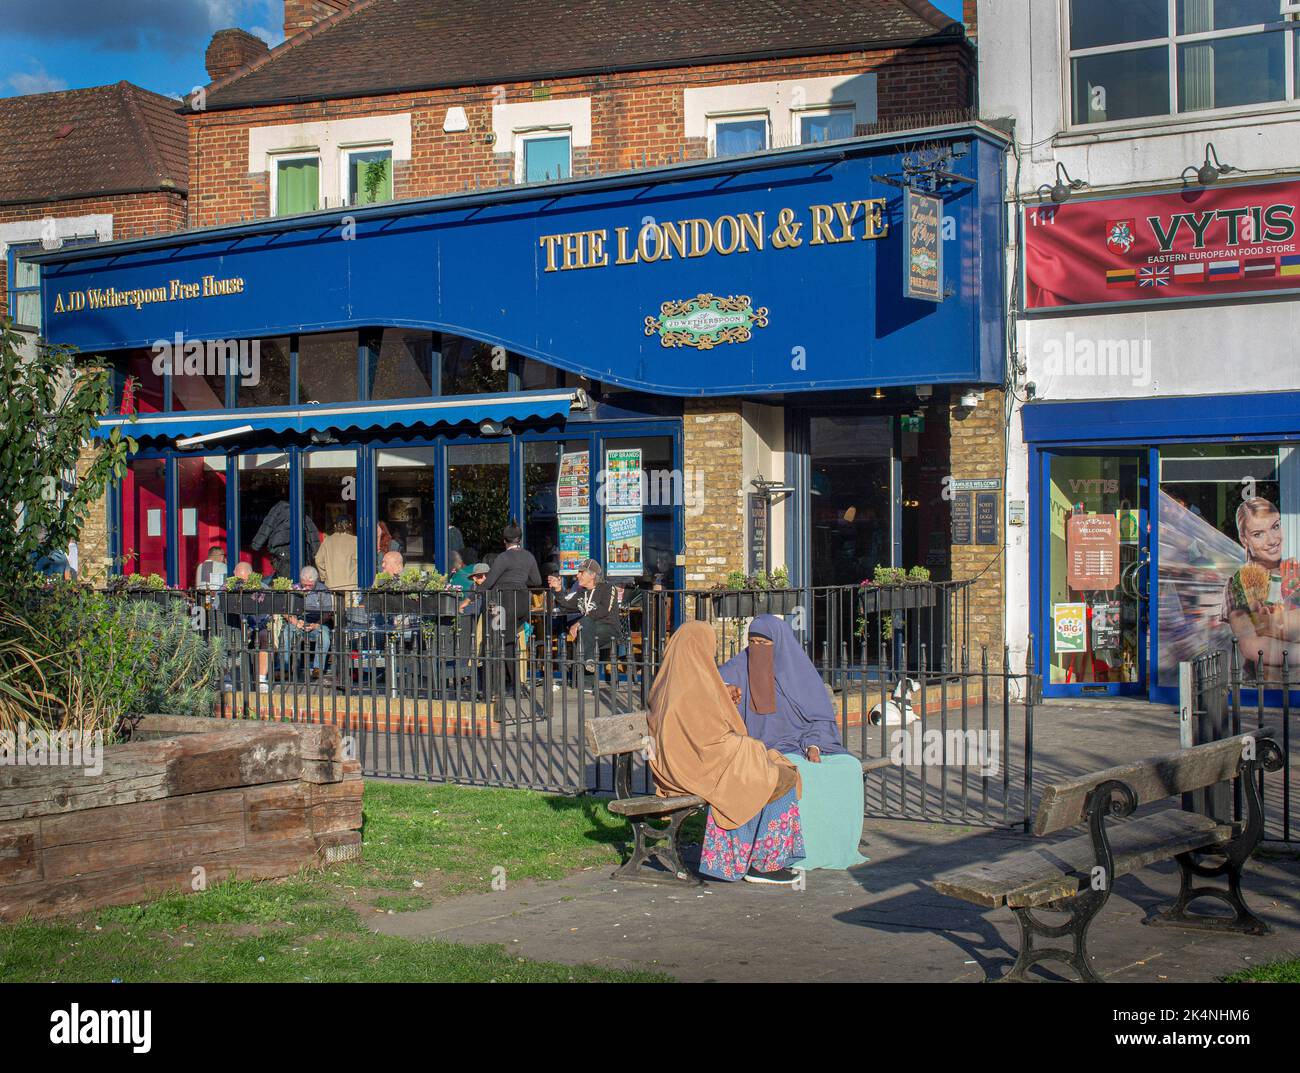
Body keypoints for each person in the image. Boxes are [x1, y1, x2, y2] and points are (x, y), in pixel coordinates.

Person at [647, 621, 805, 885]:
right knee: (760, 772)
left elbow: (708, 727)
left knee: (775, 768)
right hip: (688, 769)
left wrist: (724, 694)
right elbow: (700, 740)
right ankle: (760, 864)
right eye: (710, 647)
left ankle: (757, 860)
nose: (713, 653)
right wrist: (744, 746)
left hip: (698, 761)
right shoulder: (683, 689)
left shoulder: (677, 679)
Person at [720, 615, 867, 871]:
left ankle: (836, 845)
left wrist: (815, 745)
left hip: (808, 743)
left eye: (764, 644)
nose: (757, 649)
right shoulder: (740, 666)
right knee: (796, 772)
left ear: (780, 644)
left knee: (848, 767)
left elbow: (820, 718)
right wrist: (727, 688)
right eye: (752, 642)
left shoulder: (800, 672)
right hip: (765, 748)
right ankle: (800, 851)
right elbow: (711, 682)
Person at [1221, 497, 1300, 675]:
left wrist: (1267, 624)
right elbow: (1251, 646)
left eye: (1275, 526)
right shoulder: (1239, 583)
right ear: (1244, 539)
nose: (1272, 540)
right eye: (1258, 534)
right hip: (1262, 686)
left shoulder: (1295, 574)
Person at [482, 523, 541, 700]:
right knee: (509, 643)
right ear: (519, 539)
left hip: (504, 603)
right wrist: (520, 582)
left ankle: (497, 689)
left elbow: (489, 582)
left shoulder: (503, 557)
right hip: (522, 603)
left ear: (504, 541)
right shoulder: (529, 557)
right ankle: (515, 685)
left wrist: (471, 594)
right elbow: (536, 581)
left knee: (495, 644)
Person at [547, 559, 620, 674]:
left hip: (609, 628)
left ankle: (587, 676)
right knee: (584, 631)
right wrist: (558, 589)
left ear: (592, 575)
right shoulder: (582, 592)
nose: (577, 575)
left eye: (581, 572)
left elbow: (603, 610)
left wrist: (579, 622)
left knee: (584, 628)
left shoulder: (608, 588)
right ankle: (589, 666)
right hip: (588, 631)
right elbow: (566, 605)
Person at [282, 564, 332, 678]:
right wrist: (295, 622)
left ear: (316, 581)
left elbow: (328, 613)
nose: (307, 588)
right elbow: (285, 611)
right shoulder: (294, 589)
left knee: (324, 636)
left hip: (318, 621)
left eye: (310, 585)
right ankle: (282, 668)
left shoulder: (323, 590)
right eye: (304, 585)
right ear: (300, 580)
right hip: (298, 621)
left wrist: (317, 624)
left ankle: (317, 668)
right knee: (286, 633)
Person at [251, 500, 320, 579]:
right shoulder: (301, 512)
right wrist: (316, 552)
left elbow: (266, 526)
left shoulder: (278, 508)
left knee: (284, 576)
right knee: (298, 575)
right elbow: (312, 532)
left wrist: (256, 544)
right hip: (298, 550)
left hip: (281, 548)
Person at [316, 516, 357, 591]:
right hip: (351, 585)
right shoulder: (355, 541)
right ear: (350, 525)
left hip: (331, 585)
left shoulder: (327, 541)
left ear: (335, 526)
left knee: (333, 603)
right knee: (349, 603)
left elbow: (318, 560)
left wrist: (324, 576)